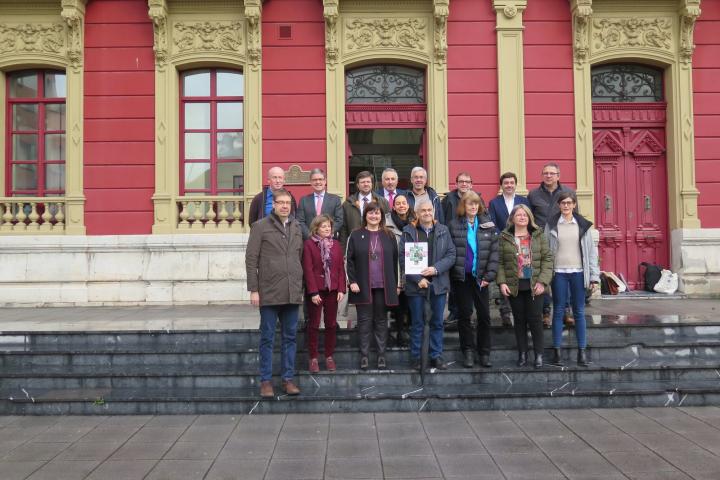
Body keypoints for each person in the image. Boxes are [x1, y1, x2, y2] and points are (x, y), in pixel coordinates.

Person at [246, 189, 303, 398]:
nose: (285, 206)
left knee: (290, 338)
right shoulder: (260, 227)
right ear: (273, 204)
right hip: (269, 292)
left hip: (291, 291)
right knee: (267, 338)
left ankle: (288, 379)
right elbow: (251, 259)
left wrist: (301, 285)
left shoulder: (297, 227)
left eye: (288, 202)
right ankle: (266, 381)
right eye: (281, 202)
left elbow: (300, 256)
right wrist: (254, 289)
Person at [545, 192, 600, 367]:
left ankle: (582, 352)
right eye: (563, 203)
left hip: (578, 272)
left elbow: (592, 253)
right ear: (559, 205)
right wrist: (545, 277)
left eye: (569, 203)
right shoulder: (552, 224)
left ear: (574, 205)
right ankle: (557, 352)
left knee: (579, 312)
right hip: (558, 273)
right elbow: (546, 252)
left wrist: (594, 276)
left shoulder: (583, 225)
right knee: (559, 311)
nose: (566, 206)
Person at [399, 200, 456, 370]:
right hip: (416, 285)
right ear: (416, 213)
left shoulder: (443, 230)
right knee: (417, 322)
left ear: (434, 211)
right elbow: (403, 258)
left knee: (437, 322)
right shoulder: (408, 231)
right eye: (422, 210)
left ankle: (435, 356)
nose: (426, 213)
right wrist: (418, 279)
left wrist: (435, 269)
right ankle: (416, 357)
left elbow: (451, 255)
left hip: (438, 283)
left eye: (429, 210)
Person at [497, 205, 553, 369]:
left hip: (534, 284)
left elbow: (548, 259)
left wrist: (543, 281)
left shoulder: (538, 235)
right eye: (518, 215)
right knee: (519, 321)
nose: (522, 217)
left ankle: (538, 354)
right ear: (512, 218)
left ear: (529, 218)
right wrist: (502, 282)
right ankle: (522, 353)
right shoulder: (504, 237)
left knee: (535, 320)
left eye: (525, 215)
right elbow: (499, 262)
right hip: (514, 285)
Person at [346, 202, 399, 370]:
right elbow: (349, 261)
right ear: (365, 216)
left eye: (377, 213)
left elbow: (395, 261)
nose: (374, 216)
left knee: (381, 321)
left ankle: (381, 355)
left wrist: (397, 284)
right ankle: (364, 355)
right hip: (362, 285)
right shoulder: (355, 235)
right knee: (364, 321)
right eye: (370, 213)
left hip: (384, 286)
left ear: (381, 216)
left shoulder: (389, 235)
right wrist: (352, 281)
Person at [449, 191, 498, 368]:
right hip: (462, 278)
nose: (473, 207)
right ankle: (468, 351)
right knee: (465, 315)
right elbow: (451, 251)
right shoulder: (453, 225)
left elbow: (494, 253)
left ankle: (484, 352)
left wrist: (489, 276)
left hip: (482, 278)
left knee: (484, 315)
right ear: (464, 206)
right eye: (470, 204)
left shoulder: (487, 225)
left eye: (476, 204)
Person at [528, 163, 576, 327]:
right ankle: (545, 313)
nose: (548, 176)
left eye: (552, 173)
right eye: (545, 173)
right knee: (544, 277)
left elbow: (576, 217)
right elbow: (529, 219)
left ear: (558, 175)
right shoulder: (533, 195)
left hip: (563, 240)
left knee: (564, 275)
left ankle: (565, 311)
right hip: (540, 241)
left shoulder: (568, 193)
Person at [302, 215, 346, 373]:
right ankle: (313, 357)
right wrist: (313, 292)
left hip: (332, 290)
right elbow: (308, 269)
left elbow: (341, 268)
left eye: (329, 226)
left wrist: (341, 289)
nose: (327, 229)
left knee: (331, 324)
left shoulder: (337, 245)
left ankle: (329, 356)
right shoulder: (309, 245)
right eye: (323, 227)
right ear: (316, 229)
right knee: (314, 324)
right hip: (316, 291)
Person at [488, 172, 531, 327]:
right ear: (501, 185)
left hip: (523, 244)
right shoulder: (494, 203)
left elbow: (528, 219)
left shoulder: (523, 201)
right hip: (503, 244)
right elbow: (492, 223)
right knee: (504, 278)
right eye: (506, 183)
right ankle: (505, 313)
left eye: (512, 182)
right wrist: (505, 237)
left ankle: (523, 312)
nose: (509, 185)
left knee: (523, 277)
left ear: (515, 184)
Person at [385, 194, 415, 347]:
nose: (402, 205)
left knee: (410, 302)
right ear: (394, 206)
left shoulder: (416, 221)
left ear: (408, 206)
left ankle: (408, 332)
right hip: (393, 266)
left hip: (412, 268)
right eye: (398, 203)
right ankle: (398, 332)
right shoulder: (387, 222)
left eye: (404, 203)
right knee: (396, 304)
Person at [340, 171, 389, 247]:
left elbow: (387, 224)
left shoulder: (383, 202)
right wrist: (343, 250)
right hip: (355, 244)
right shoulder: (348, 204)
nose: (366, 184)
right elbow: (343, 230)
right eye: (362, 182)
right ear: (358, 185)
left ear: (372, 184)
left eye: (368, 182)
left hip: (377, 243)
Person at [296, 168, 343, 240]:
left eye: (320, 179)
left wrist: (327, 234)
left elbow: (339, 220)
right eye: (315, 180)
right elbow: (300, 221)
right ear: (311, 182)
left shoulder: (335, 199)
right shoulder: (304, 200)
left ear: (325, 181)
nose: (318, 182)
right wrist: (310, 236)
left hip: (330, 241)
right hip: (310, 242)